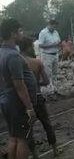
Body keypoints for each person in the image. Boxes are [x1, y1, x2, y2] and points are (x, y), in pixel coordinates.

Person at [0, 19, 37, 159]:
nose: (22, 33)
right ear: (12, 33)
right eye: (20, 31)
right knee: (22, 139)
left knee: (14, 137)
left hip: (6, 99)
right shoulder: (13, 56)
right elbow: (19, 85)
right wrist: (29, 107)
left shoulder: (2, 53)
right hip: (17, 102)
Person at [17, 37, 59, 158]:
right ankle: (55, 150)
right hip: (38, 96)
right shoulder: (36, 62)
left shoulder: (16, 62)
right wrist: (36, 84)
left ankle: (35, 154)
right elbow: (46, 81)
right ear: (29, 47)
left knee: (29, 129)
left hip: (24, 100)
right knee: (47, 123)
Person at [38, 20, 61, 99]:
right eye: (53, 26)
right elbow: (40, 45)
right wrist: (51, 44)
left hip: (55, 54)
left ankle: (55, 90)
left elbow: (58, 40)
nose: (54, 28)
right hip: (47, 55)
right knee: (49, 74)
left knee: (55, 73)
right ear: (49, 25)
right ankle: (50, 92)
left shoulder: (56, 32)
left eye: (55, 26)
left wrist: (58, 43)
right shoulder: (43, 33)